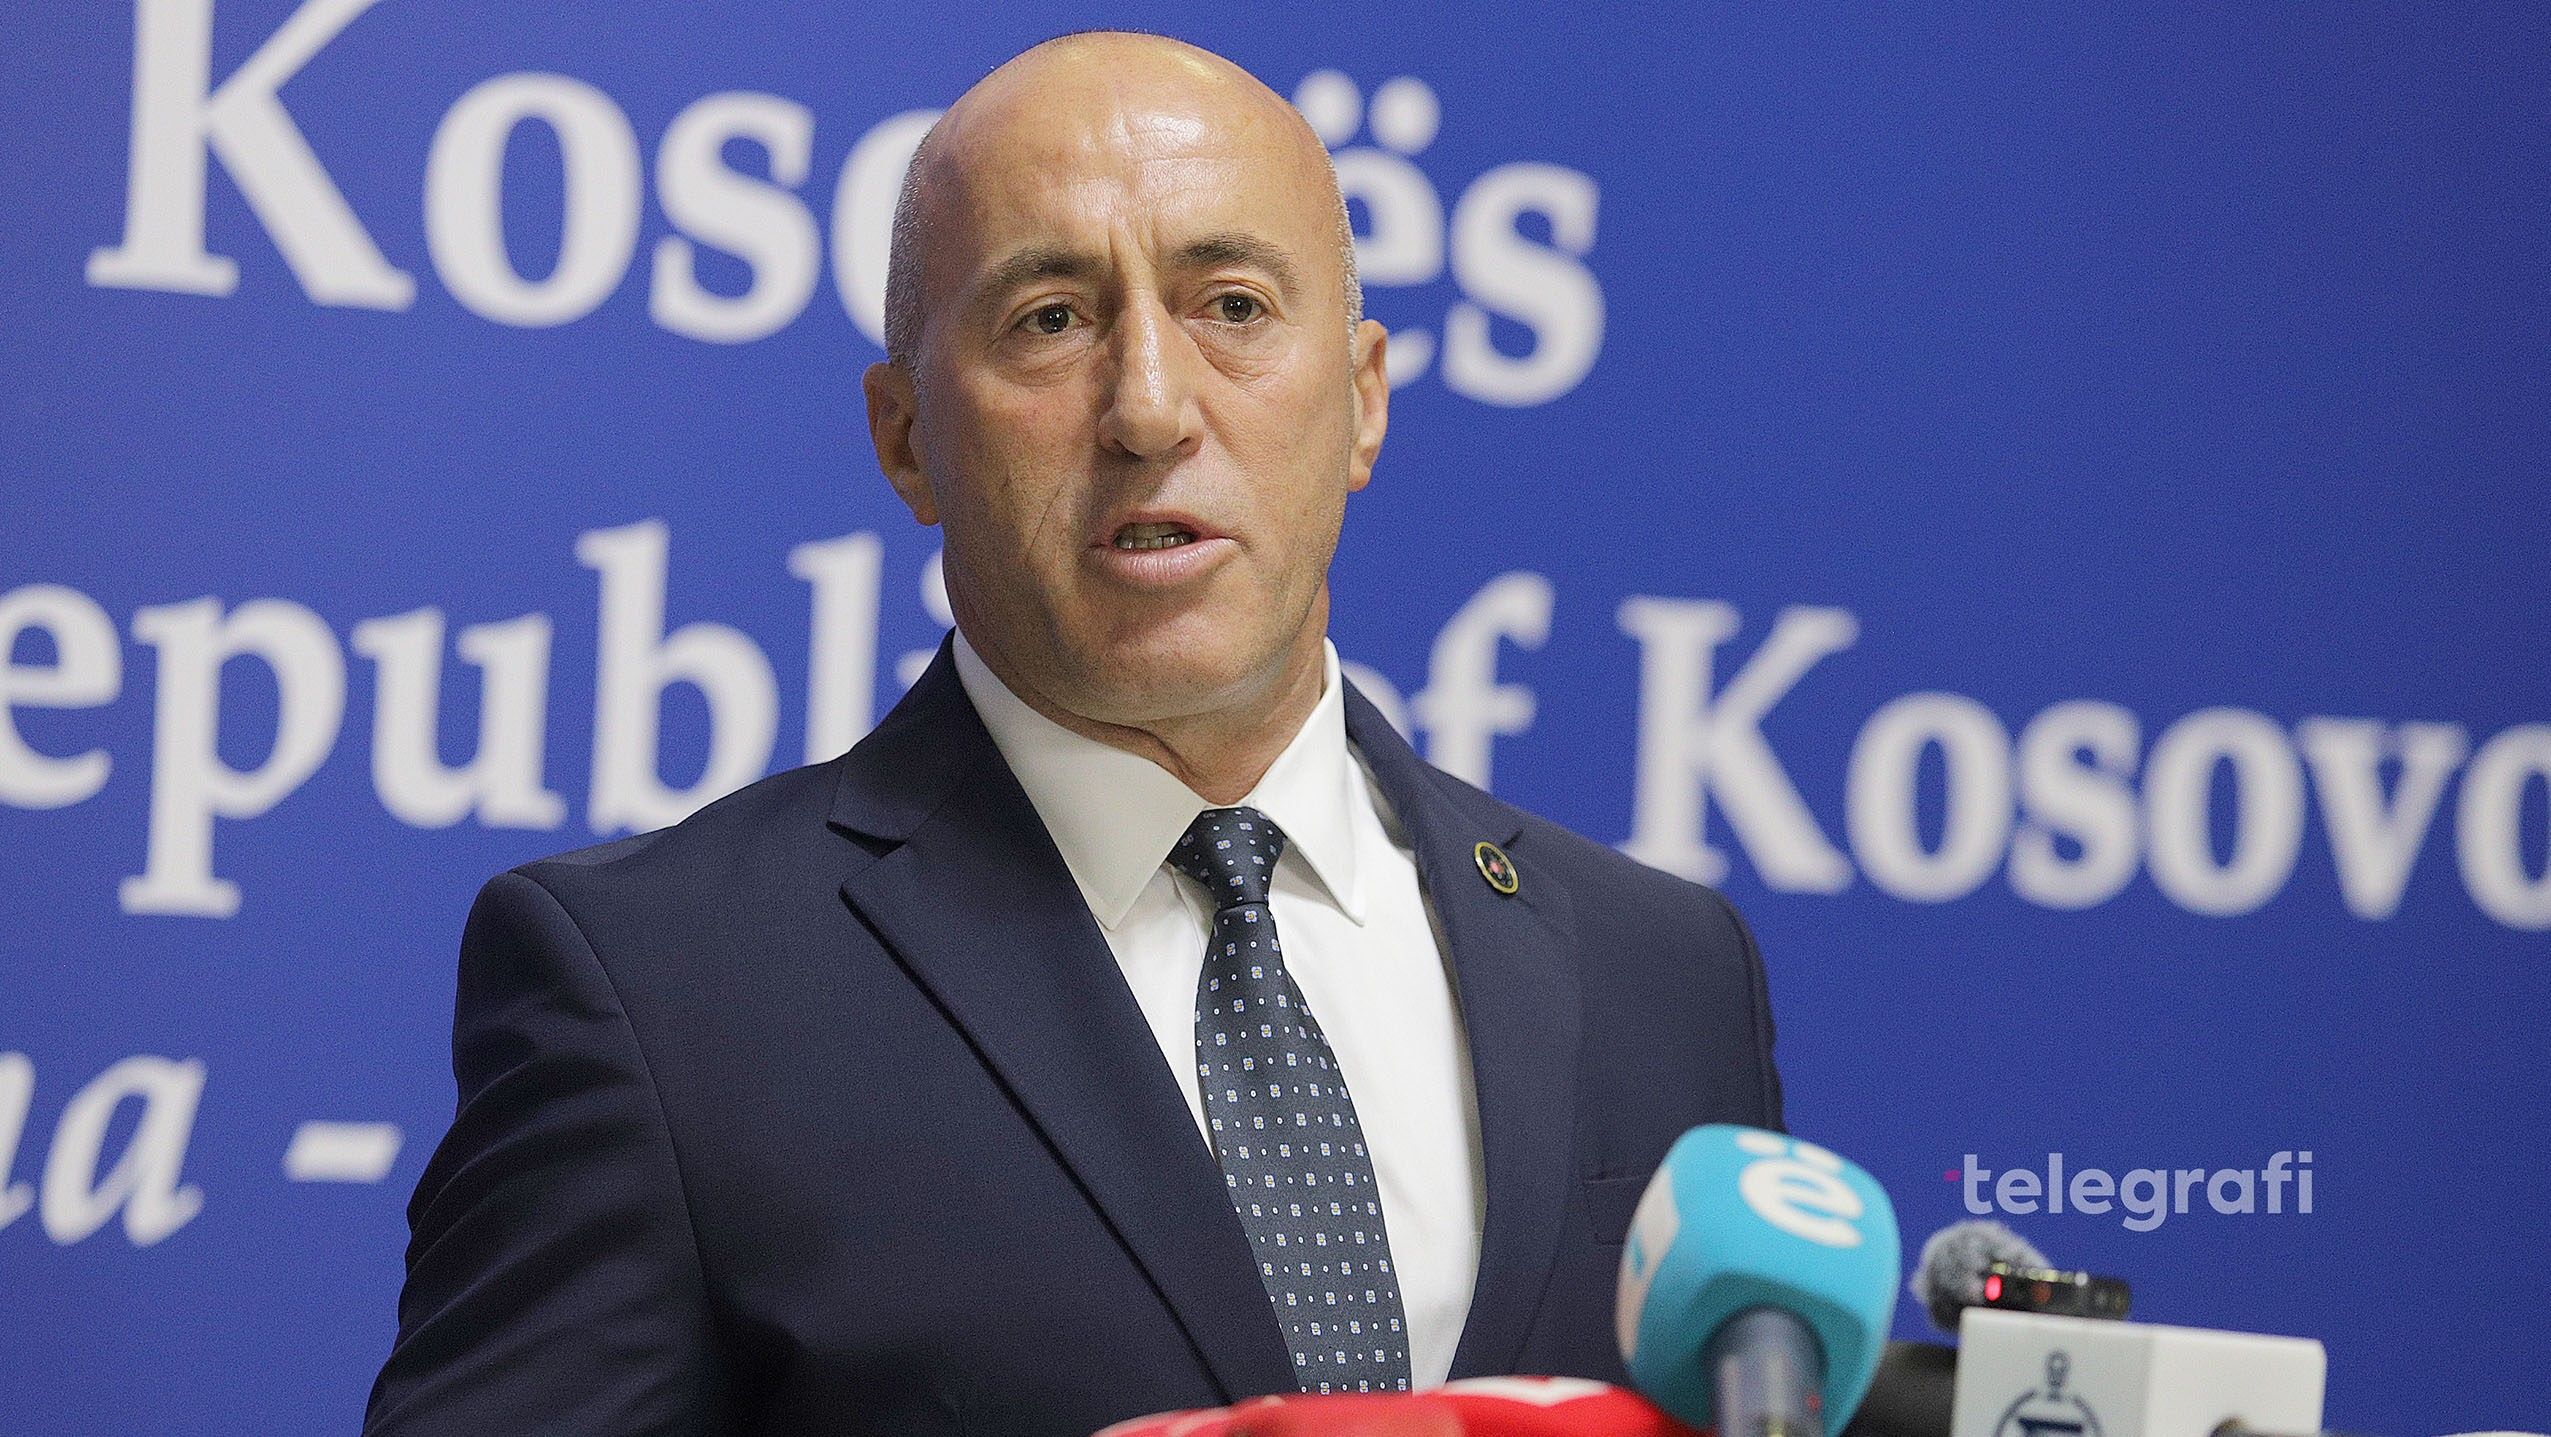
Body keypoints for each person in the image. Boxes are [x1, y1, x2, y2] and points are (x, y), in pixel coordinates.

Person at [362, 31, 1780, 1437]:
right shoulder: (663, 991)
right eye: (1049, 319)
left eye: (1232, 305)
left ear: (1363, 401)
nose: (1150, 408)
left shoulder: (1663, 974)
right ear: (906, 439)